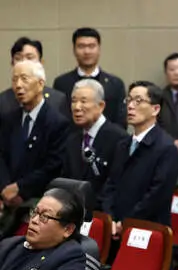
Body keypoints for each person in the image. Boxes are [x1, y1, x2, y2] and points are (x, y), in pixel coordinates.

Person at [102, 81, 178, 234]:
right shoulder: (122, 144)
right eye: (129, 100)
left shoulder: (166, 148)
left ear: (155, 109)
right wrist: (110, 219)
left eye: (138, 101)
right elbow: (110, 185)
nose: (130, 106)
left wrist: (126, 223)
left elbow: (156, 197)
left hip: (146, 230)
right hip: (115, 227)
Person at [0, 187, 85, 270]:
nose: (34, 220)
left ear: (67, 229)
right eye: (35, 212)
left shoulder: (70, 255)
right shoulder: (9, 244)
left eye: (44, 217)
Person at [0, 60, 69, 209]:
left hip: (38, 200)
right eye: (14, 80)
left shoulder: (57, 122)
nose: (18, 85)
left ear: (40, 84)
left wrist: (20, 189)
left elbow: (53, 167)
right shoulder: (8, 119)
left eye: (24, 79)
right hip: (6, 198)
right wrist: (5, 189)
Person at [62, 79, 130, 209]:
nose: (77, 107)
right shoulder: (72, 140)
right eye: (74, 101)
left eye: (83, 101)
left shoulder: (119, 139)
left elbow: (117, 185)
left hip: (103, 214)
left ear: (101, 106)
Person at [53, 27, 126, 128]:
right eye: (81, 46)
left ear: (99, 49)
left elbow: (120, 121)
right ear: (74, 50)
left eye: (91, 46)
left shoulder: (115, 84)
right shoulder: (61, 83)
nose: (87, 51)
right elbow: (59, 119)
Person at [0, 37, 69, 124]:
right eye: (18, 58)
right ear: (12, 63)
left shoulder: (57, 99)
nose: (24, 62)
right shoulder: (3, 101)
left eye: (29, 58)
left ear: (41, 62)